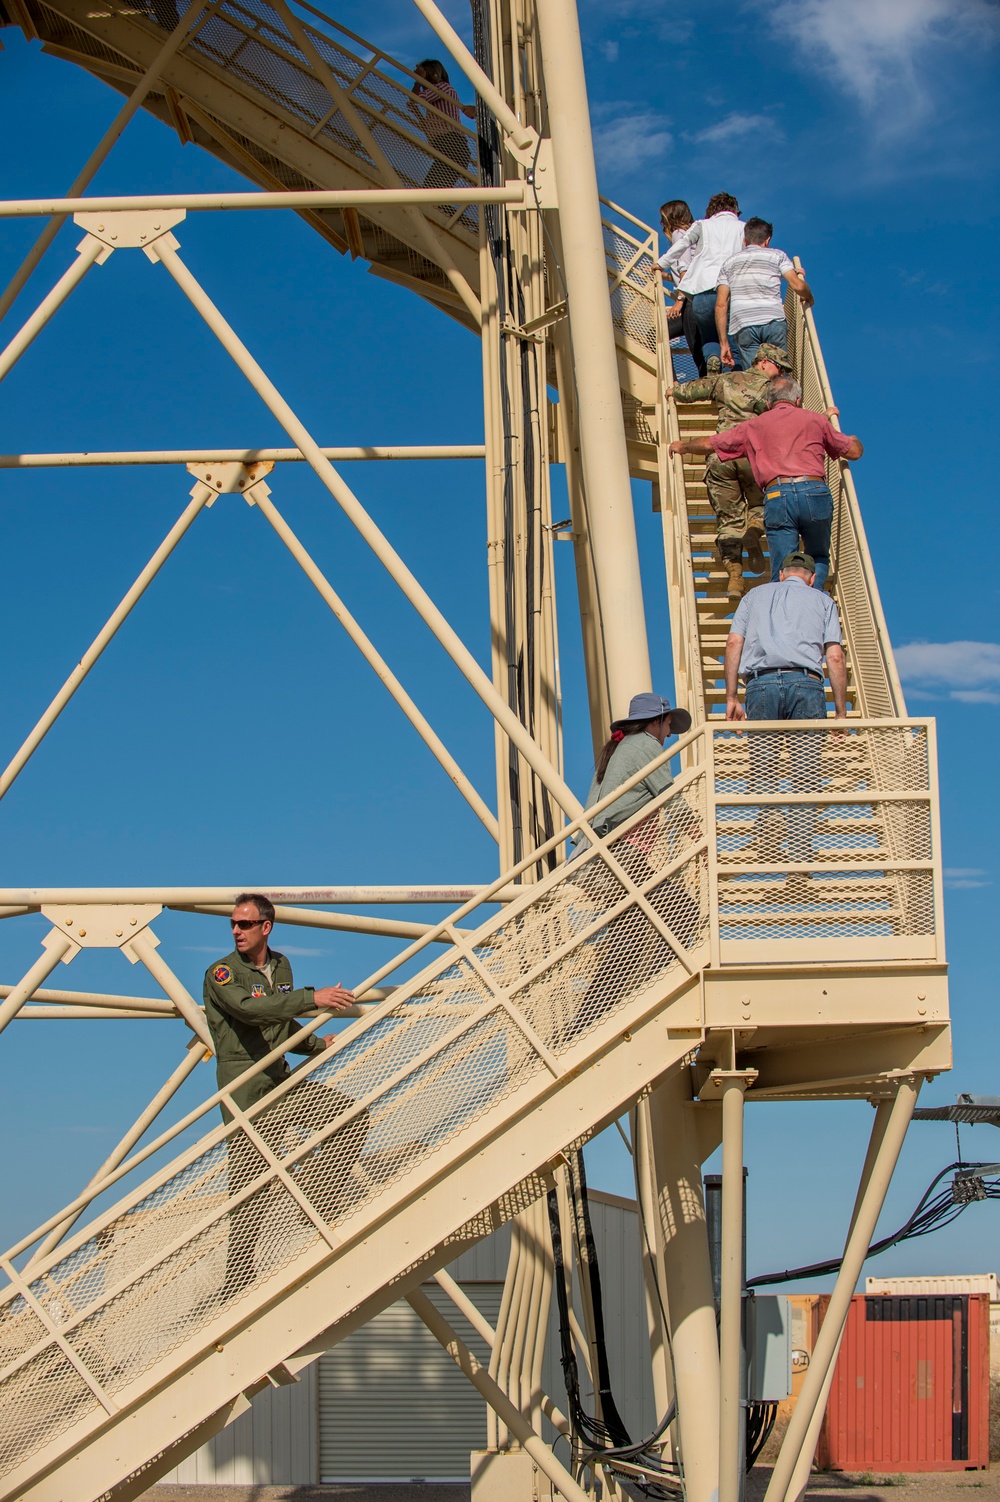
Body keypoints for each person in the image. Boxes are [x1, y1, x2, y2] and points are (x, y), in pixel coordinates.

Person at [204, 894, 366, 1299]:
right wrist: (315, 998)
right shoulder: (221, 973)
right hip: (247, 1089)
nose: (237, 931)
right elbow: (253, 1012)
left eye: (245, 924)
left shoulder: (281, 966)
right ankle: (237, 1279)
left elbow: (280, 1019)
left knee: (349, 1116)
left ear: (266, 927)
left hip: (280, 1081)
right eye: (233, 924)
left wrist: (315, 1045)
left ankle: (318, 1195)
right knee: (248, 1188)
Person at [563, 694, 702, 1043]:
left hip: (596, 856)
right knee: (683, 911)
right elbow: (669, 797)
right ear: (654, 722)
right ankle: (650, 992)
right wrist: (702, 833)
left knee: (630, 933)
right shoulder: (644, 746)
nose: (669, 733)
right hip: (612, 854)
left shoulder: (619, 748)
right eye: (669, 725)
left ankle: (587, 1022)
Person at [668, 374, 862, 591]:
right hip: (813, 491)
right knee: (817, 555)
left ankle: (781, 612)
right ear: (797, 400)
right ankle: (812, 604)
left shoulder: (754, 426)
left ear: (768, 403)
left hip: (778, 495)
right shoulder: (816, 420)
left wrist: (683, 446)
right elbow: (853, 452)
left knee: (782, 565)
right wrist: (852, 438)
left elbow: (711, 444)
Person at [724, 551, 846, 876]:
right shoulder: (822, 601)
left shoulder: (754, 596)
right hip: (806, 684)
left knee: (763, 765)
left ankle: (766, 836)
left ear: (781, 574)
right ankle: (801, 857)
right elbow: (834, 657)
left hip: (760, 684)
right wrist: (841, 712)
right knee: (805, 773)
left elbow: (734, 642)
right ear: (809, 577)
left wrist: (732, 696)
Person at [671, 342, 792, 598]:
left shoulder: (728, 379)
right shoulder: (773, 391)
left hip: (721, 455)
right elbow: (788, 418)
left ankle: (735, 578)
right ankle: (755, 529)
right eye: (778, 367)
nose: (780, 373)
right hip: (753, 455)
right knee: (763, 502)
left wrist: (674, 392)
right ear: (762, 362)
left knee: (728, 520)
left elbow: (696, 389)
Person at [659, 192, 745, 376]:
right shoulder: (741, 229)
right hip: (728, 291)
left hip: (696, 296)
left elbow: (685, 269)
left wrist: (680, 298)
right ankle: (731, 377)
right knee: (729, 340)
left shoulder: (682, 233)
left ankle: (703, 373)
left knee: (705, 339)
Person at [715, 217, 813, 370]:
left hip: (743, 324)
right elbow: (797, 285)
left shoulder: (729, 263)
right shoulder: (777, 256)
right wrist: (809, 297)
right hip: (772, 319)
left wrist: (724, 343)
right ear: (767, 240)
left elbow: (721, 305)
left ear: (744, 240)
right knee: (778, 375)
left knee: (756, 379)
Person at [409, 59, 476, 192]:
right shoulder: (435, 98)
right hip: (451, 147)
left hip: (452, 145)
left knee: (431, 191)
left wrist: (418, 80)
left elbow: (415, 98)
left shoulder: (443, 87)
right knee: (435, 192)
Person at [656, 199, 695, 342]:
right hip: (697, 297)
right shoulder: (693, 235)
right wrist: (663, 276)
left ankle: (664, 366)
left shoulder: (679, 233)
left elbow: (686, 270)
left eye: (663, 218)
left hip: (688, 300)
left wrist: (679, 301)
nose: (661, 223)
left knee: (656, 334)